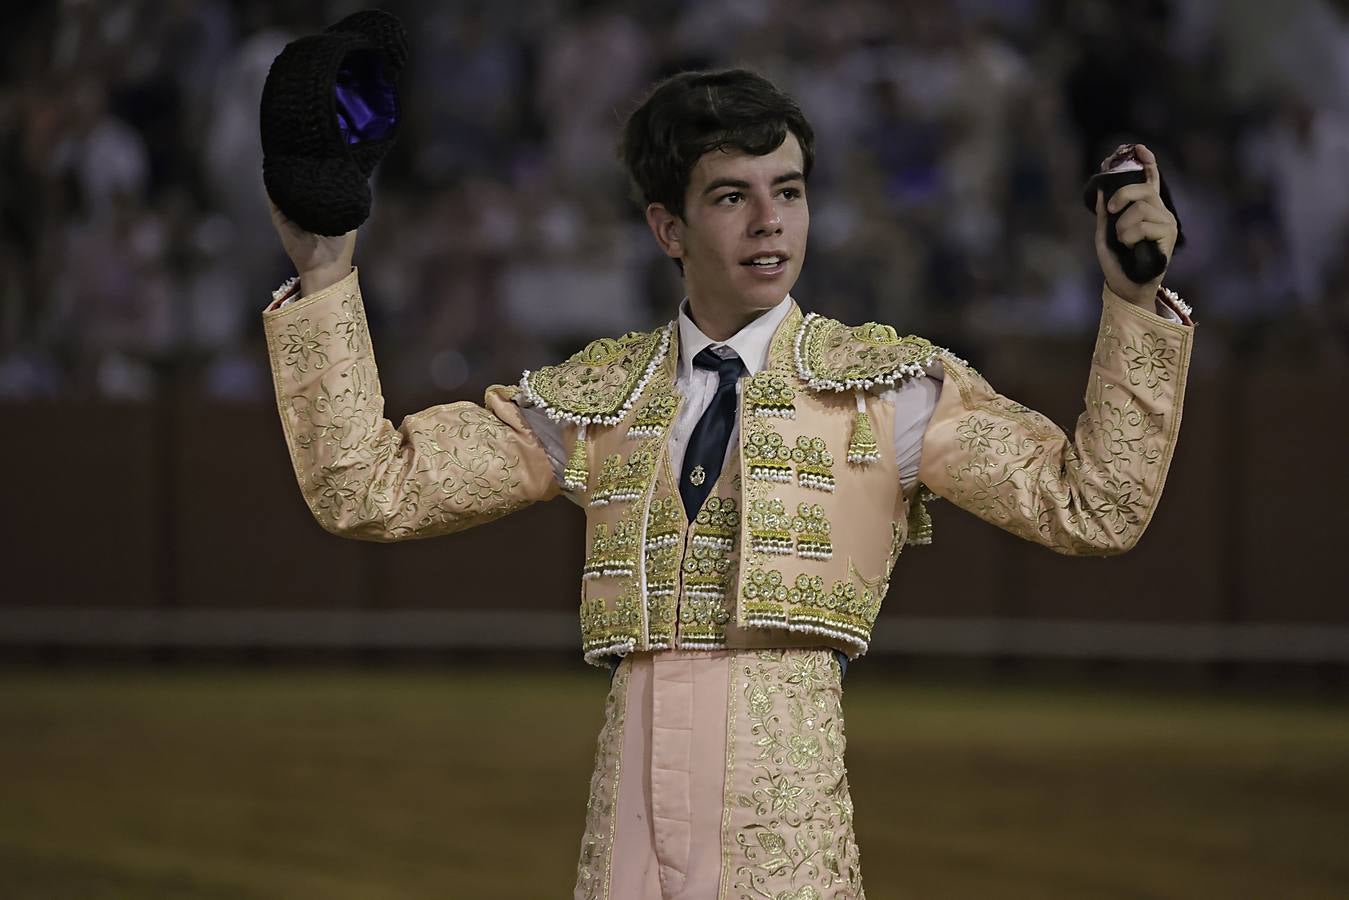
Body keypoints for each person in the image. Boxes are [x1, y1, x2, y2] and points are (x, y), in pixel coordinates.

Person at [262, 68, 1192, 900]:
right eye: (730, 197)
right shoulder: (601, 396)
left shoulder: (884, 389)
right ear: (667, 226)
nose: (769, 223)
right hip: (628, 792)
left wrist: (1132, 305)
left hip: (782, 801)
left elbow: (1093, 507)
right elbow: (369, 489)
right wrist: (326, 278)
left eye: (787, 192)